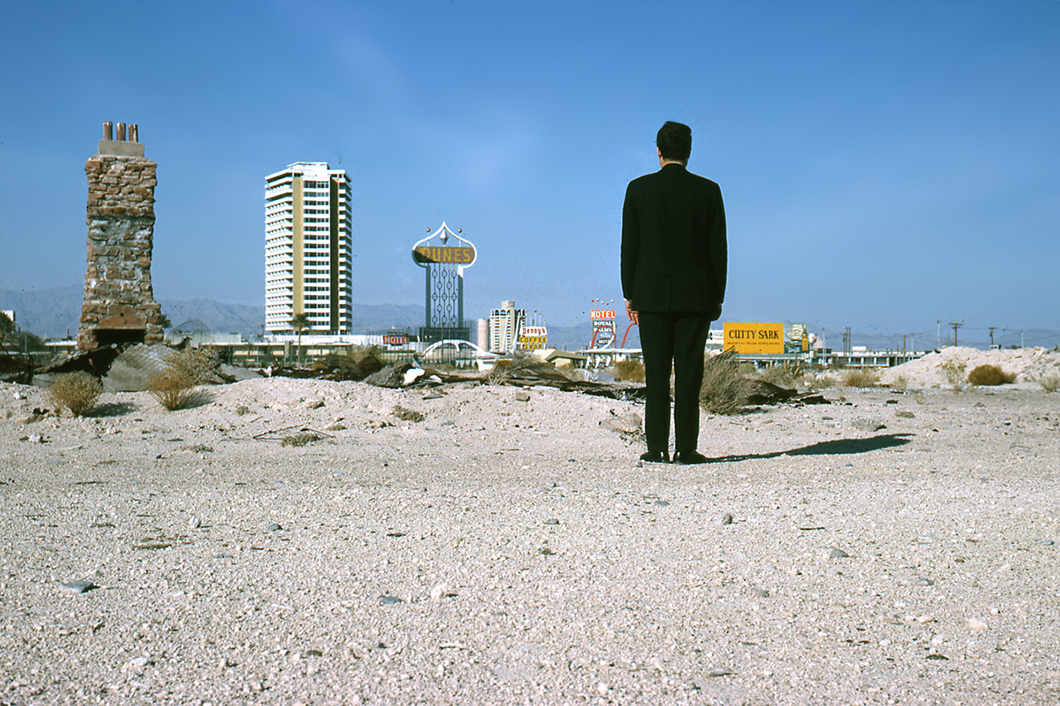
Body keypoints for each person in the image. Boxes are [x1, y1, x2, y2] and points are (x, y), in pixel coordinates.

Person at [621, 121, 727, 464]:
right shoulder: (709, 191)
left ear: (658, 150)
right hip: (696, 298)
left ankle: (656, 449)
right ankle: (686, 448)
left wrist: (630, 294)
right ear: (689, 151)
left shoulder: (638, 190)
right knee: (689, 375)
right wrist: (717, 296)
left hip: (650, 297)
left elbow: (629, 248)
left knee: (656, 375)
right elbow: (718, 251)